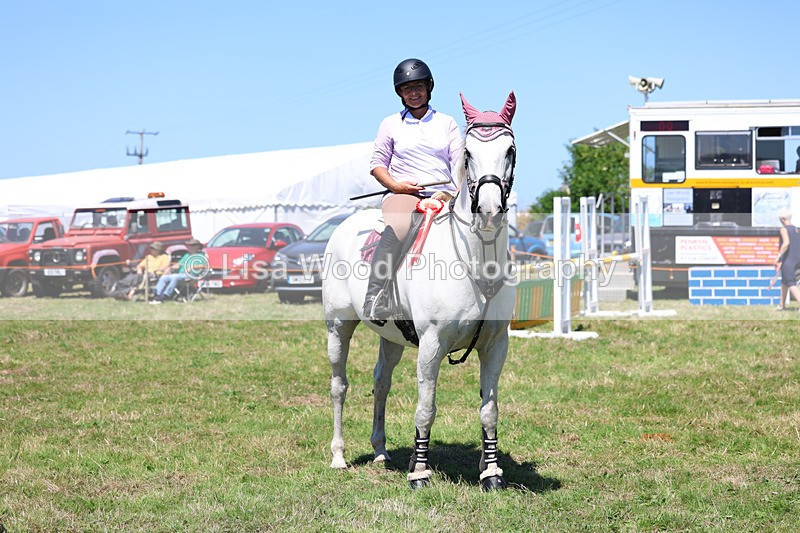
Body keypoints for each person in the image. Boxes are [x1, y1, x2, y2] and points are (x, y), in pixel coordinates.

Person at [363, 58, 464, 321]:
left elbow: (460, 164)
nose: (413, 93)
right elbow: (377, 165)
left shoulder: (447, 122)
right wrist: (396, 186)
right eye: (407, 89)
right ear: (400, 93)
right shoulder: (390, 124)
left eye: (418, 86)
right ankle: (375, 296)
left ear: (429, 87)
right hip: (403, 195)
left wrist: (453, 192)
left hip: (443, 195)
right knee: (399, 226)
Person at [150, 239, 205, 303]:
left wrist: (192, 267)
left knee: (175, 277)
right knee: (164, 277)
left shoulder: (202, 255)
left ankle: (165, 296)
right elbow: (178, 265)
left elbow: (204, 266)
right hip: (181, 275)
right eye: (189, 245)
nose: (190, 247)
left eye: (193, 245)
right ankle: (157, 295)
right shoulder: (187, 255)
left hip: (192, 276)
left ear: (198, 246)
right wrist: (170, 268)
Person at [774, 209, 800, 310]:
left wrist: (778, 256)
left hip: (789, 260)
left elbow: (786, 243)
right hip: (797, 259)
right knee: (785, 281)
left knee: (790, 283)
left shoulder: (783, 229)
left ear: (782, 219)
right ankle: (781, 305)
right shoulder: (796, 229)